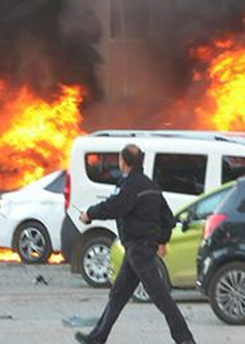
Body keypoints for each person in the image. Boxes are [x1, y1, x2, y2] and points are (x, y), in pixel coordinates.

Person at [74, 144, 196, 344]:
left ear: (124, 162)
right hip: (138, 250)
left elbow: (114, 207)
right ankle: (97, 338)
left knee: (162, 298)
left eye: (120, 160)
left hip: (139, 250)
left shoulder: (129, 186)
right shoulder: (151, 186)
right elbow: (167, 218)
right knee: (117, 296)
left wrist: (89, 214)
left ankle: (185, 340)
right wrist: (162, 240)